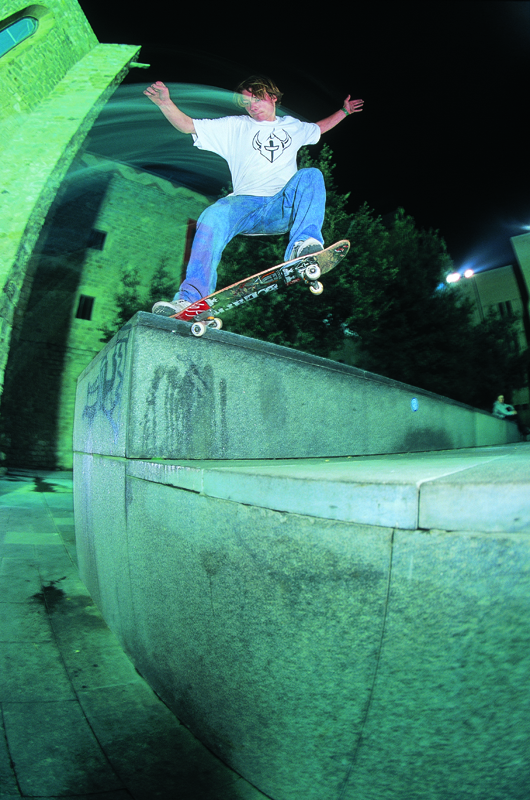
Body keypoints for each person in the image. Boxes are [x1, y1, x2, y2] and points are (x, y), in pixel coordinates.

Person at [143, 75, 363, 316]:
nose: (252, 107)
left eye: (256, 99)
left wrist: (344, 111)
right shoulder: (235, 126)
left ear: (273, 97)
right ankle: (191, 300)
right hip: (244, 206)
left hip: (281, 207)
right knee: (212, 215)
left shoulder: (293, 127)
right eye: (247, 103)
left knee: (311, 175)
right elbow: (188, 125)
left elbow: (319, 128)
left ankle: (303, 248)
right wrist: (165, 103)